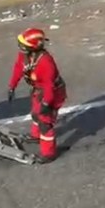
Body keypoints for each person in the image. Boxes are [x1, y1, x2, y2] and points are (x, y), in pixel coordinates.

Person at [7, 27, 67, 163]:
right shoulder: (25, 55)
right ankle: (36, 135)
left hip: (52, 93)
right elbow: (18, 68)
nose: (20, 48)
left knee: (45, 123)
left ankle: (49, 153)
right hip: (38, 90)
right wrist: (12, 86)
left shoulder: (45, 62)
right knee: (35, 114)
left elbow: (49, 85)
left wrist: (47, 103)